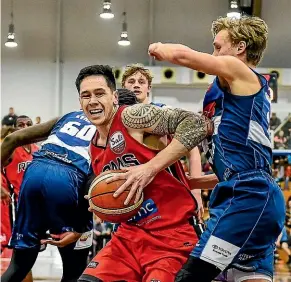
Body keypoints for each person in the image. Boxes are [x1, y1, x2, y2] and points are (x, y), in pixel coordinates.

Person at [148, 16, 286, 282]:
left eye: (218, 47)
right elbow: (238, 167)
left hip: (248, 198)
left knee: (189, 277)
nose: (214, 54)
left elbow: (184, 57)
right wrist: (192, 181)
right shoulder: (233, 96)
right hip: (251, 195)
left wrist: (160, 46)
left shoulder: (239, 70)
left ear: (240, 48)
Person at [76, 64, 213, 282]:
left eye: (99, 93)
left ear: (114, 97)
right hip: (128, 237)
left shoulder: (133, 116)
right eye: (86, 95)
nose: (92, 100)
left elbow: (198, 124)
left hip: (171, 234)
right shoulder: (93, 147)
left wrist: (149, 168)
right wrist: (103, 206)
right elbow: (118, 195)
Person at [1, 111, 95, 282]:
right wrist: (80, 227)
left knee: (18, 266)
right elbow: (93, 181)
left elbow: (10, 140)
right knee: (73, 273)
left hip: (33, 177)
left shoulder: (67, 117)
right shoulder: (111, 128)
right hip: (67, 182)